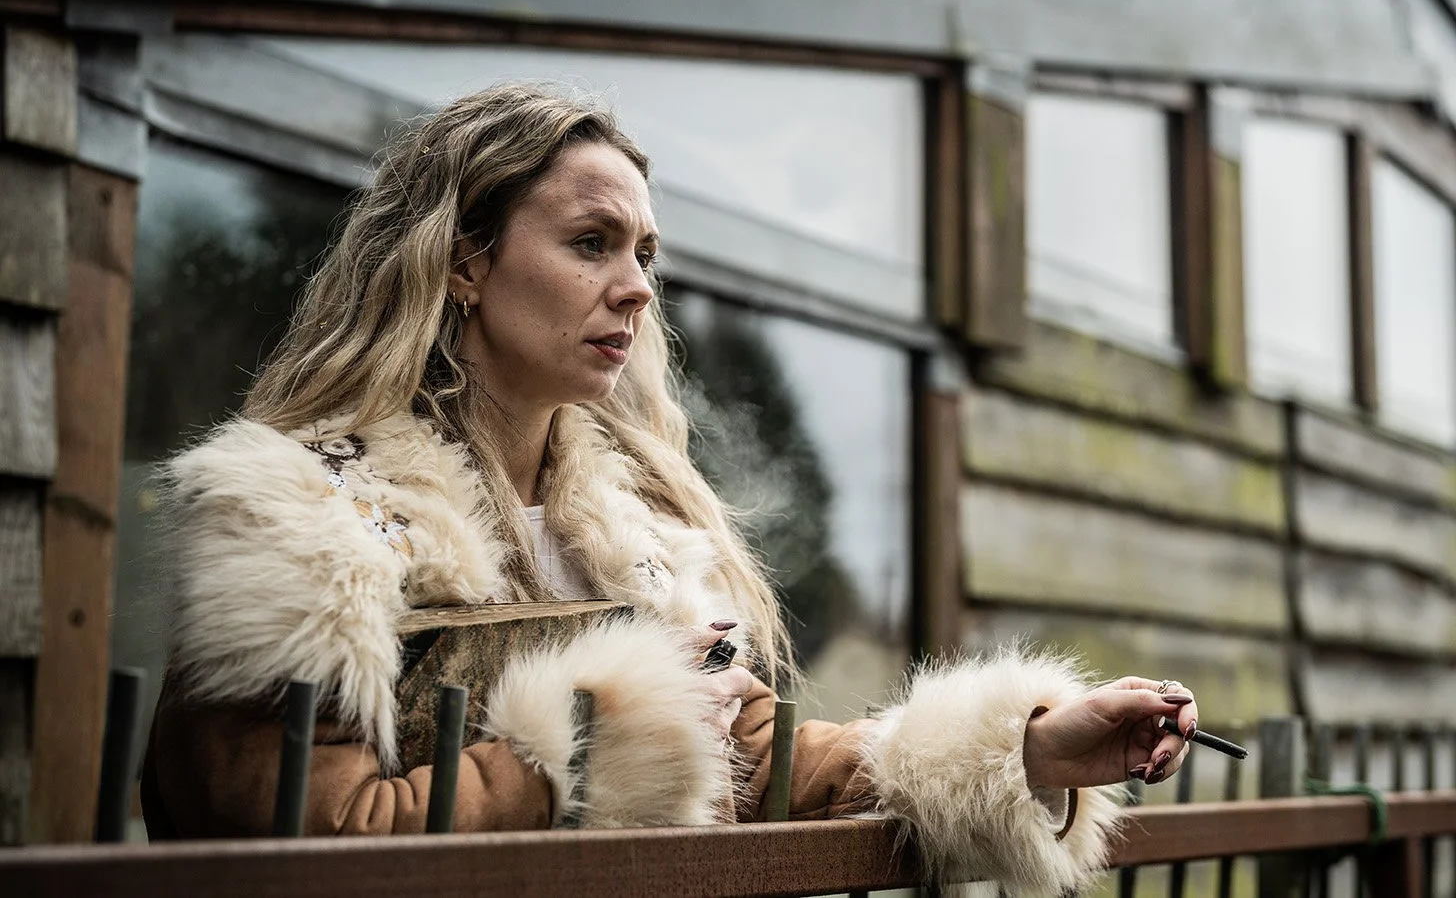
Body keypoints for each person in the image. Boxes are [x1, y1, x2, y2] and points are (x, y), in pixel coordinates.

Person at [141, 83, 1198, 896]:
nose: (638, 284)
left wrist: (1026, 749)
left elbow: (757, 762)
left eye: (645, 251)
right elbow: (304, 840)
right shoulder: (301, 526)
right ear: (463, 262)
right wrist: (592, 737)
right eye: (591, 241)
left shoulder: (640, 544)